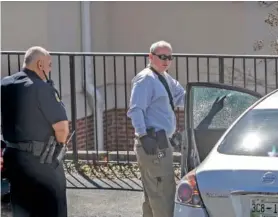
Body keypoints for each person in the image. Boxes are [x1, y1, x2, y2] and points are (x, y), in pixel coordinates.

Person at [127, 41, 226, 217]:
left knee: (153, 195)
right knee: (163, 193)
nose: (166, 61)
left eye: (169, 57)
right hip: (152, 142)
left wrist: (209, 100)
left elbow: (182, 98)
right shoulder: (145, 79)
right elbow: (135, 109)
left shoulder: (164, 77)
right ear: (151, 57)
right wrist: (143, 136)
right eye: (162, 57)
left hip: (161, 142)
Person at [1, 46, 69, 217]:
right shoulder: (42, 88)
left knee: (21, 209)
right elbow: (62, 128)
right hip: (42, 162)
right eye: (49, 64)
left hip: (14, 159)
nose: (50, 69)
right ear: (40, 64)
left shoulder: (5, 84)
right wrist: (60, 145)